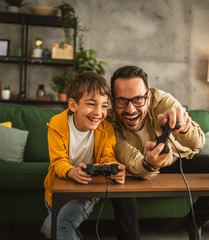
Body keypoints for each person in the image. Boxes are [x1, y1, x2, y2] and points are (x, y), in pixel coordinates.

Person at [107, 65, 209, 240]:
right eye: (122, 101)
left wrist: (185, 129)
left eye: (138, 99)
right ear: (112, 100)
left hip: (171, 161)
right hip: (135, 167)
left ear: (148, 97)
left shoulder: (163, 101)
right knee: (119, 180)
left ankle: (194, 220)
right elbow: (126, 155)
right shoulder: (109, 121)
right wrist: (149, 163)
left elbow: (198, 142)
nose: (130, 109)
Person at [41, 71, 139, 240]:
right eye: (91, 104)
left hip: (86, 192)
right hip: (56, 192)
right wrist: (72, 172)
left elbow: (107, 157)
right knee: (58, 229)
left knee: (54, 227)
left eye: (103, 105)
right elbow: (58, 161)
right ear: (73, 105)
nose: (98, 112)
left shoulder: (106, 129)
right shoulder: (57, 124)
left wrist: (113, 168)